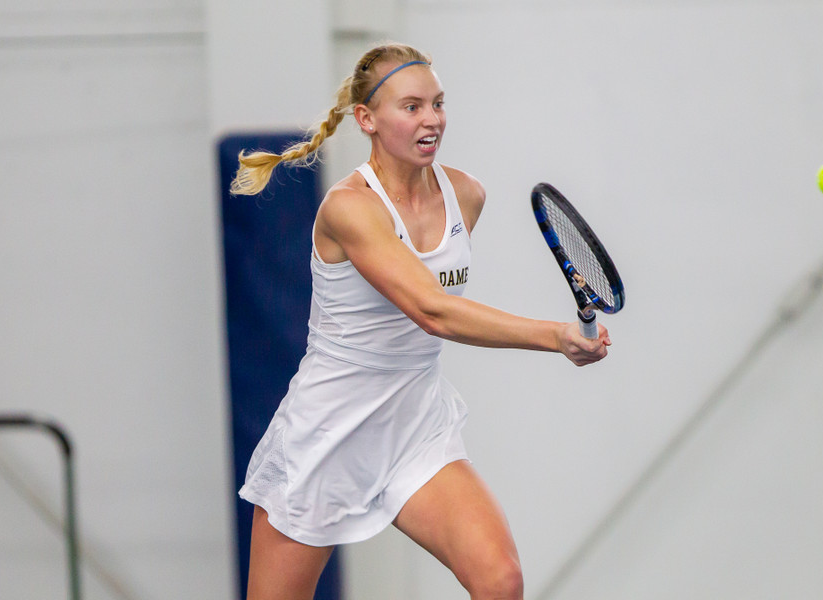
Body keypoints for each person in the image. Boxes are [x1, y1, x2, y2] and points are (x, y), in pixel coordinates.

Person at [230, 42, 611, 600]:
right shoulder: (348, 208)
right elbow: (432, 310)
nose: (432, 118)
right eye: (411, 107)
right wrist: (553, 335)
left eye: (438, 103)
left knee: (500, 581)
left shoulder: (466, 195)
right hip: (327, 428)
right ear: (367, 120)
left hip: (415, 424)